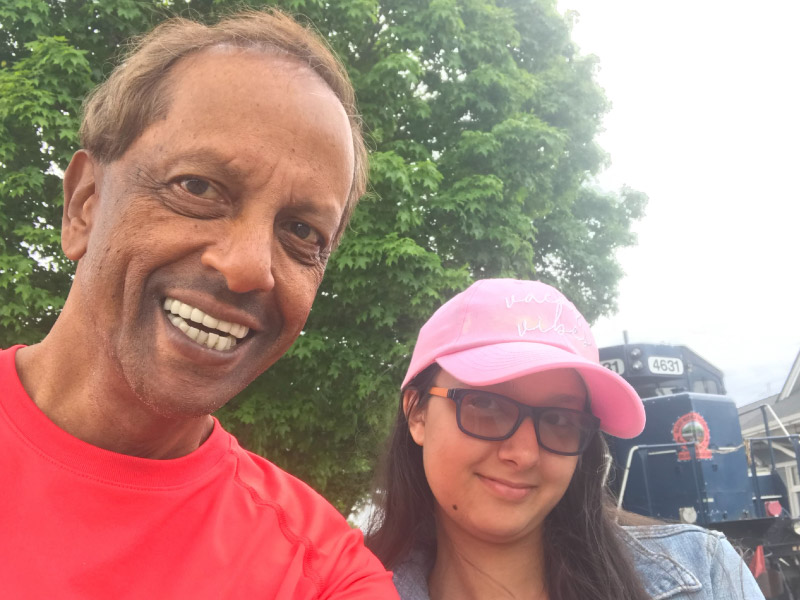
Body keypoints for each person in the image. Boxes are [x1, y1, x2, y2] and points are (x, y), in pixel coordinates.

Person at [0, 10, 399, 599]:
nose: (248, 268)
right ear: (84, 205)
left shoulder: (322, 577)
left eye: (301, 232)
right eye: (198, 187)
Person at [366, 278, 763, 600]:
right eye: (485, 405)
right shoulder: (337, 588)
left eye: (559, 419)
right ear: (417, 412)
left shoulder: (704, 575)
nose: (524, 454)